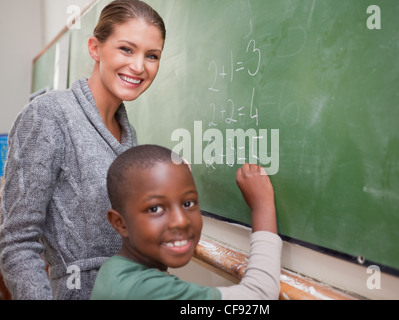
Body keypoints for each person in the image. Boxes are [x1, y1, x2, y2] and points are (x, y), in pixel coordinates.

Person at [0, 0, 166, 300]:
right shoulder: (48, 115)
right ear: (95, 48)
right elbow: (16, 242)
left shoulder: (129, 137)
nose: (139, 66)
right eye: (126, 49)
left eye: (151, 55)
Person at [91, 144, 282, 300]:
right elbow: (258, 297)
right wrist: (262, 207)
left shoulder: (113, 271)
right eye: (155, 209)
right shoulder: (146, 291)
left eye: (188, 203)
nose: (180, 221)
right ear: (120, 223)